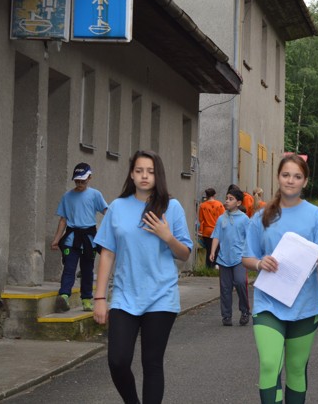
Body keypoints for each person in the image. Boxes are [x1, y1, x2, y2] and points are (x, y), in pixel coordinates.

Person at [93, 150, 193, 404]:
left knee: (152, 363)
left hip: (161, 297)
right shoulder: (117, 207)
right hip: (124, 296)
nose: (144, 176)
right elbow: (107, 254)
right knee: (117, 361)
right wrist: (100, 298)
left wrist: (167, 236)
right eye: (139, 171)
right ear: (131, 174)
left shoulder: (172, 207)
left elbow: (184, 254)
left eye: (150, 171)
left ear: (158, 175)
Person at [242, 154, 318, 404]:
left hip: (304, 305)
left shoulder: (316, 215)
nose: (290, 180)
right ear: (278, 177)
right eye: (286, 175)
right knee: (269, 363)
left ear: (305, 181)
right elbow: (247, 257)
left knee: (296, 368)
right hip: (268, 303)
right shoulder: (262, 216)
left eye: (297, 176)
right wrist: (259, 263)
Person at [50, 162, 108, 313]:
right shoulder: (67, 197)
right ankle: (64, 296)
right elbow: (63, 220)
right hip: (71, 239)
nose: (80, 184)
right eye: (77, 181)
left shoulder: (95, 195)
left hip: (89, 240)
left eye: (82, 181)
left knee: (87, 271)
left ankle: (87, 300)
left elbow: (107, 213)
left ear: (89, 178)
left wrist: (111, 233)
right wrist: (56, 239)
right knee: (69, 269)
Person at [210, 187, 251, 327]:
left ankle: (245, 311)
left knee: (240, 282)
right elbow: (216, 236)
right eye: (226, 198)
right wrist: (213, 251)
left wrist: (250, 255)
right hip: (223, 258)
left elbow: (250, 238)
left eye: (231, 199)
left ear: (238, 203)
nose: (227, 201)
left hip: (239, 258)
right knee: (225, 288)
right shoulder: (221, 218)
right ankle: (226, 316)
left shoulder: (244, 219)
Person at [198, 188, 225, 268]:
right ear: (214, 195)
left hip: (207, 231)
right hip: (217, 230)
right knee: (217, 249)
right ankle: (216, 265)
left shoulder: (202, 206)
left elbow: (201, 219)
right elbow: (223, 218)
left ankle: (209, 267)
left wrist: (201, 230)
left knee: (209, 250)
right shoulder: (219, 205)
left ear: (206, 195)